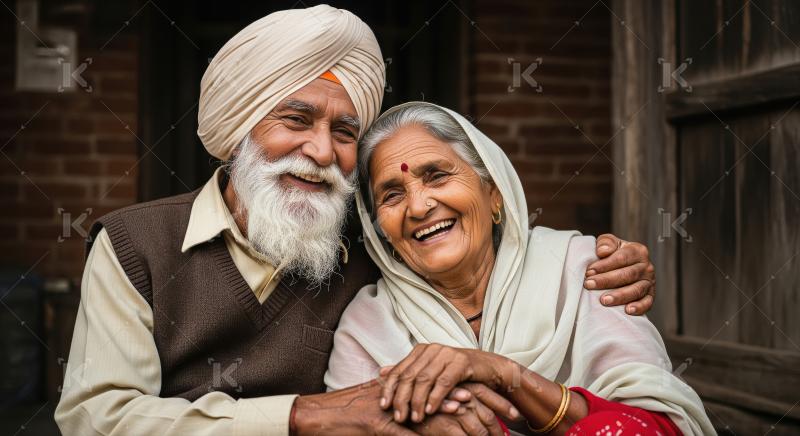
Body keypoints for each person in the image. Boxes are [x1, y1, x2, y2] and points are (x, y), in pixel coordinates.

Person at [55, 6, 659, 435]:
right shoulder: (136, 245)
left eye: (344, 132)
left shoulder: (379, 243)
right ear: (237, 130)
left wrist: (614, 263)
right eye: (296, 120)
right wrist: (304, 416)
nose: (322, 151)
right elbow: (95, 419)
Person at [325, 102, 715, 435]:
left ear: (494, 193)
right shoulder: (368, 326)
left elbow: (658, 426)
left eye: (437, 176)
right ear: (380, 232)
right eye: (392, 195)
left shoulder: (582, 270)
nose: (418, 206)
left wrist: (503, 374)